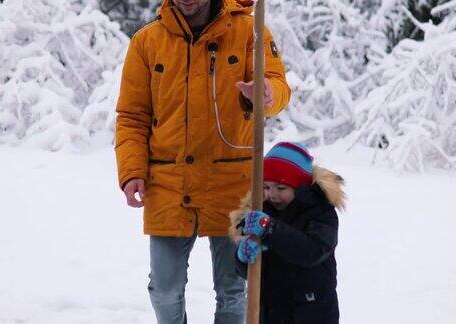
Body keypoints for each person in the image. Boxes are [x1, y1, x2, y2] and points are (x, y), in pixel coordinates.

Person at [114, 0, 291, 323]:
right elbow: (131, 116)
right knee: (164, 289)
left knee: (235, 289)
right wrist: (131, 171)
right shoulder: (147, 41)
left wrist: (267, 93)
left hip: (234, 182)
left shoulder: (250, 32)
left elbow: (278, 87)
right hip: (169, 182)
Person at [230, 142, 345, 324]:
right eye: (266, 187)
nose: (273, 195)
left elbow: (312, 251)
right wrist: (242, 258)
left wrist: (271, 228)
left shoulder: (321, 211)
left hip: (312, 311)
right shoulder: (258, 210)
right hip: (271, 311)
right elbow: (247, 270)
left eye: (281, 188)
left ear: (300, 186)